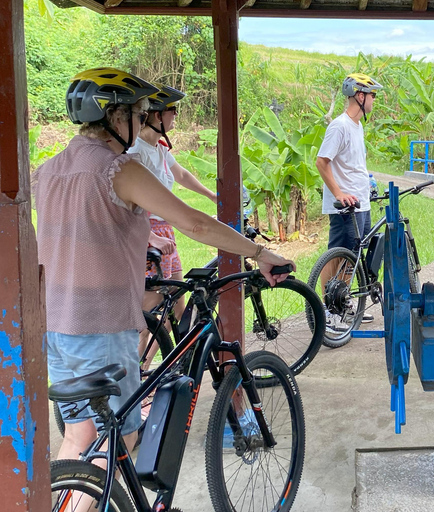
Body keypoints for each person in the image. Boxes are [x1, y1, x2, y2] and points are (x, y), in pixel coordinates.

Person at [34, 67, 293, 465]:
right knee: (119, 440)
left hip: (56, 328)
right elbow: (195, 223)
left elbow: (81, 230)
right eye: (138, 116)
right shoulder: (118, 169)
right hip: (100, 329)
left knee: (78, 437)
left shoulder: (49, 170)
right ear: (116, 118)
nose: (140, 127)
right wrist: (259, 254)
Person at [127, 83, 217, 371]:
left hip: (166, 232)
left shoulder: (161, 148)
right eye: (173, 111)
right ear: (156, 115)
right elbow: (130, 206)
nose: (175, 118)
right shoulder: (135, 153)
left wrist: (212, 196)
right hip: (147, 233)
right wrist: (150, 237)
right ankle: (138, 374)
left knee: (178, 304)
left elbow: (182, 174)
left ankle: (177, 367)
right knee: (151, 312)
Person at [315, 73, 383, 328]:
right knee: (336, 255)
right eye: (372, 96)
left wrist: (368, 182)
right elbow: (322, 162)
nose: (374, 101)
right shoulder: (340, 125)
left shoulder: (357, 126)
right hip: (345, 207)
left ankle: (342, 303)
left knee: (351, 257)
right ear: (360, 96)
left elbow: (353, 163)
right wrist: (339, 194)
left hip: (361, 203)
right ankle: (327, 310)